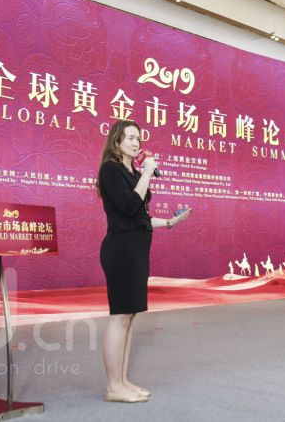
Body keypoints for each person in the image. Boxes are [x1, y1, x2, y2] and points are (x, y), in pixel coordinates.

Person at [96, 119, 191, 403]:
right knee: (119, 316)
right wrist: (147, 173)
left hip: (136, 250)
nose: (136, 143)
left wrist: (170, 222)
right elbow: (128, 206)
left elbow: (141, 217)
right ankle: (113, 386)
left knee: (130, 316)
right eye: (130, 137)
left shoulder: (132, 172)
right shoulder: (111, 169)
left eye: (138, 138)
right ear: (116, 141)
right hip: (121, 250)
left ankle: (122, 381)